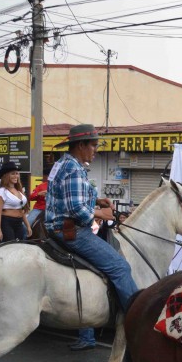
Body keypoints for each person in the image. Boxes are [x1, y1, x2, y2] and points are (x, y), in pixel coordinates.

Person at [45, 124, 139, 313]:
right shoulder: (74, 168)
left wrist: (96, 200)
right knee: (120, 267)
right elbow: (76, 208)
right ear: (81, 145)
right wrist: (100, 213)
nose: (96, 150)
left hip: (56, 226)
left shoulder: (62, 163)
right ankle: (136, 317)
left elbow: (66, 195)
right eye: (94, 145)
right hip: (72, 230)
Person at [0, 161, 32, 242]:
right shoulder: (2, 191)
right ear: (6, 176)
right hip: (6, 222)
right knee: (9, 247)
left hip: (19, 222)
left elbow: (22, 211)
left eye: (17, 173)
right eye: (13, 174)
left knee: (18, 246)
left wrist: (28, 226)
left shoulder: (19, 191)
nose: (16, 176)